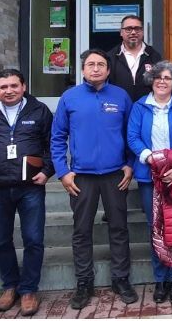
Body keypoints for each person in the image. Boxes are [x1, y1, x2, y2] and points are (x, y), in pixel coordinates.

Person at [50, 49, 138, 309]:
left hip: (115, 176)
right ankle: (84, 282)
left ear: (108, 70)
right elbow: (56, 138)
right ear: (82, 69)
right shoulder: (69, 97)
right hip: (82, 178)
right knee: (81, 231)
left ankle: (121, 279)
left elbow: (131, 134)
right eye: (91, 64)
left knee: (119, 229)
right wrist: (63, 171)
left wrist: (130, 166)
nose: (96, 68)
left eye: (101, 64)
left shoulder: (121, 96)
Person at [0, 69, 54, 316]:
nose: (9, 91)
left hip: (30, 186)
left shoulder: (39, 111)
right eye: (3, 87)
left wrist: (48, 171)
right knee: (1, 240)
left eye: (14, 86)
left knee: (33, 238)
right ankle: (10, 287)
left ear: (23, 86)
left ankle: (28, 289)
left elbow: (52, 143)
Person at [126, 61, 172, 304]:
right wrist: (151, 160)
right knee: (155, 227)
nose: (162, 81)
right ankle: (161, 279)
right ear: (151, 81)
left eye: (167, 78)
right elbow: (133, 137)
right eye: (158, 78)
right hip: (150, 176)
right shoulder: (139, 107)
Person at [108, 14, 163, 102]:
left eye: (137, 29)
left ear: (142, 31)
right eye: (128, 29)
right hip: (119, 108)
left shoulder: (154, 56)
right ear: (121, 32)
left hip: (147, 109)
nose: (133, 32)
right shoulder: (111, 57)